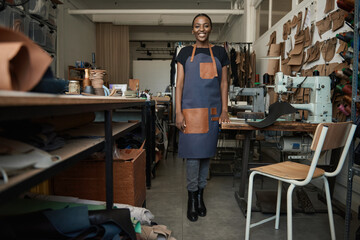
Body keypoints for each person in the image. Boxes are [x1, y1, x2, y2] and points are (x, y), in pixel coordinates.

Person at [175, 13, 230, 222]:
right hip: (190, 112)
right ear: (192, 30)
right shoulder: (184, 53)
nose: (201, 29)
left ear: (210, 29)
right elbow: (179, 85)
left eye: (205, 26)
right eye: (197, 26)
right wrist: (178, 112)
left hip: (213, 111)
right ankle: (191, 198)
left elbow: (224, 83)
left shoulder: (220, 52)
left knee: (206, 155)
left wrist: (225, 109)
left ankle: (200, 197)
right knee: (192, 157)